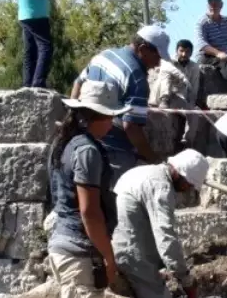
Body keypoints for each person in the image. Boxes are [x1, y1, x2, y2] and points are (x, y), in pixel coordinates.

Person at [44, 79, 127, 298]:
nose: (114, 123)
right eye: (110, 117)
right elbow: (89, 211)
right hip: (79, 248)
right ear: (99, 117)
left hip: (66, 245)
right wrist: (108, 257)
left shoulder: (67, 144)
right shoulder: (88, 151)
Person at [111, 149, 209, 298]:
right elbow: (166, 237)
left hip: (120, 255)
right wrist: (185, 279)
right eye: (188, 184)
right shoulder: (161, 187)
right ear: (181, 175)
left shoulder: (141, 173)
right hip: (137, 261)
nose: (187, 190)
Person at [71, 25, 170, 184]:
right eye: (157, 56)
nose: (158, 63)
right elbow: (131, 127)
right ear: (143, 49)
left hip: (83, 140)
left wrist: (73, 119)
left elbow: (78, 84)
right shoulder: (136, 77)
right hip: (115, 152)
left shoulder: (104, 55)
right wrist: (153, 159)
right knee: (115, 199)